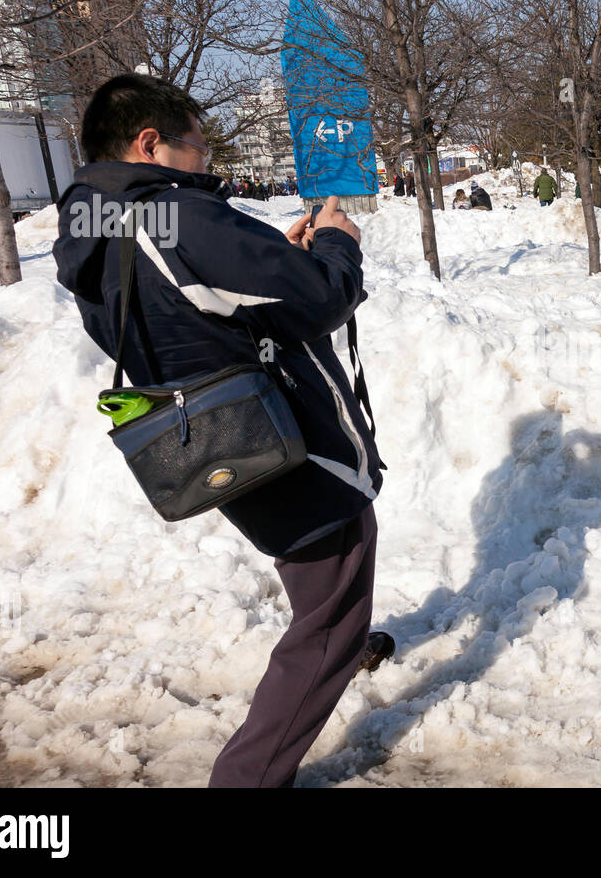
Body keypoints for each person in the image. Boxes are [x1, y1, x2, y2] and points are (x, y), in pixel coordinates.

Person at [52, 72, 388, 787]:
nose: (207, 162)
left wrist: (273, 260)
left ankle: (337, 634)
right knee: (334, 580)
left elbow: (177, 314)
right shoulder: (179, 216)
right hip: (279, 429)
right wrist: (334, 244)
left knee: (322, 572)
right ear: (151, 142)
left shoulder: (94, 225)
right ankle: (251, 773)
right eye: (198, 148)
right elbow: (323, 297)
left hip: (204, 429)